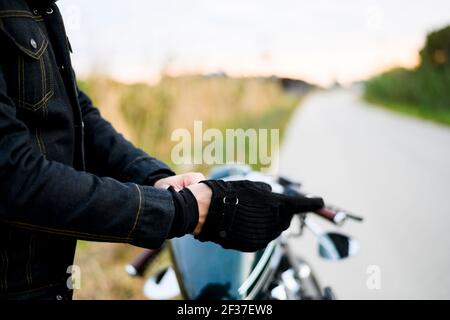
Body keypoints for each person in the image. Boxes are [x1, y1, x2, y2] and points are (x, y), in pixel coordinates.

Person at [0, 0, 324, 300]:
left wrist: (156, 178)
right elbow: (12, 179)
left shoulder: (41, 7)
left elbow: (79, 120)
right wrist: (186, 211)